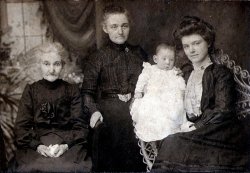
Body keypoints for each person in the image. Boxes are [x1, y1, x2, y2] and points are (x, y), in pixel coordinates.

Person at [152, 16, 248, 172]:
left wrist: (196, 126)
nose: (191, 50)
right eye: (186, 46)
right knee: (172, 140)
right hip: (191, 130)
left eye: (196, 43)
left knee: (173, 142)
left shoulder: (220, 73)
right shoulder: (184, 72)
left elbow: (223, 110)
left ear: (208, 43)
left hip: (218, 131)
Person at [81, 5, 148, 172]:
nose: (120, 31)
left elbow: (151, 82)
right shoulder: (97, 57)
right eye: (114, 26)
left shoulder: (139, 53)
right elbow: (87, 93)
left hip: (137, 106)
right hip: (108, 109)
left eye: (124, 26)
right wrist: (94, 111)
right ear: (105, 28)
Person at [14, 42, 90, 172]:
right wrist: (37, 146)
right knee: (32, 167)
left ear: (63, 66)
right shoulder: (31, 91)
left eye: (56, 64)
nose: (51, 69)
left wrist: (65, 145)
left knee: (69, 167)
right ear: (39, 65)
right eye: (46, 64)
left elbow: (80, 126)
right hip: (39, 143)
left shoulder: (72, 90)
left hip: (68, 142)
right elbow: (21, 127)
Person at [130, 44, 186, 143]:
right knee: (151, 110)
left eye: (171, 60)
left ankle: (168, 134)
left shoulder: (174, 72)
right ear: (156, 59)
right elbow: (142, 80)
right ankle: (155, 132)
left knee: (173, 113)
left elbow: (180, 83)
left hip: (169, 101)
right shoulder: (150, 70)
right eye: (164, 59)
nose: (168, 62)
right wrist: (138, 91)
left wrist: (182, 92)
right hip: (153, 98)